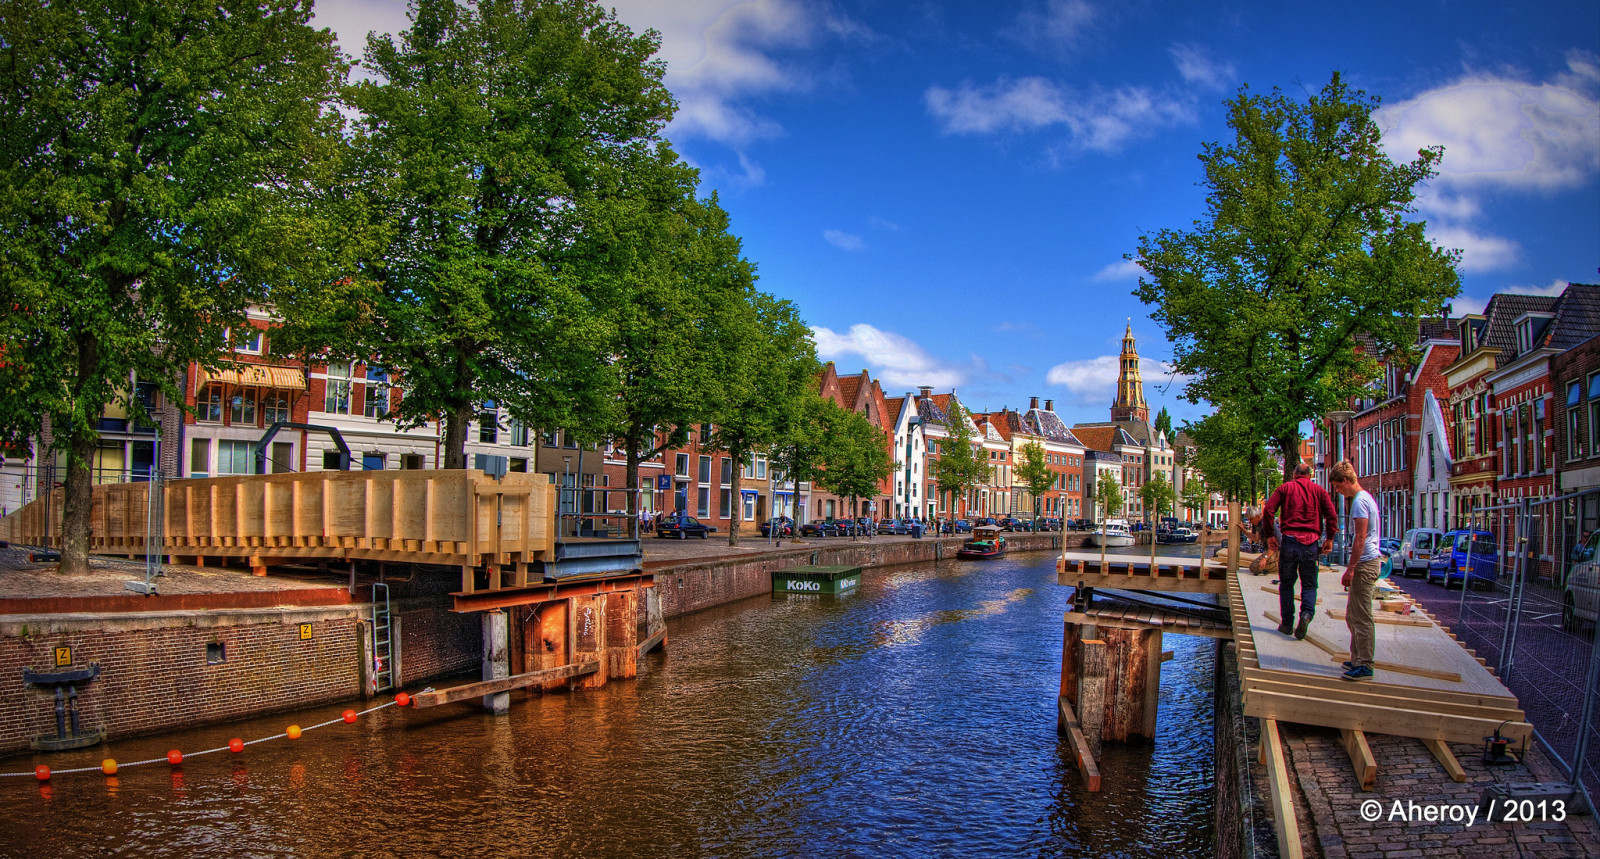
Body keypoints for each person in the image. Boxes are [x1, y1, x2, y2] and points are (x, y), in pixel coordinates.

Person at [1261, 462, 1337, 640]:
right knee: (1309, 584)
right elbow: (1331, 515)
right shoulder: (1319, 491)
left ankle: (1287, 624)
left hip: (1289, 542)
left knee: (1286, 584)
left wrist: (1271, 535)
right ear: (1310, 476)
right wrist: (1330, 538)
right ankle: (1306, 616)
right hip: (1310, 543)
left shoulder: (1285, 488)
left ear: (1295, 474)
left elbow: (1269, 510)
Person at [1329, 460, 1381, 681]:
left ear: (1346, 481)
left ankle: (1365, 665)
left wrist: (1350, 569)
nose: (1338, 492)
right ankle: (1357, 658)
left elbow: (1360, 539)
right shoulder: (1364, 499)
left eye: (1338, 487)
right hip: (1367, 561)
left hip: (1365, 563)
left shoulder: (1360, 502)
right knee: (1353, 615)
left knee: (1361, 616)